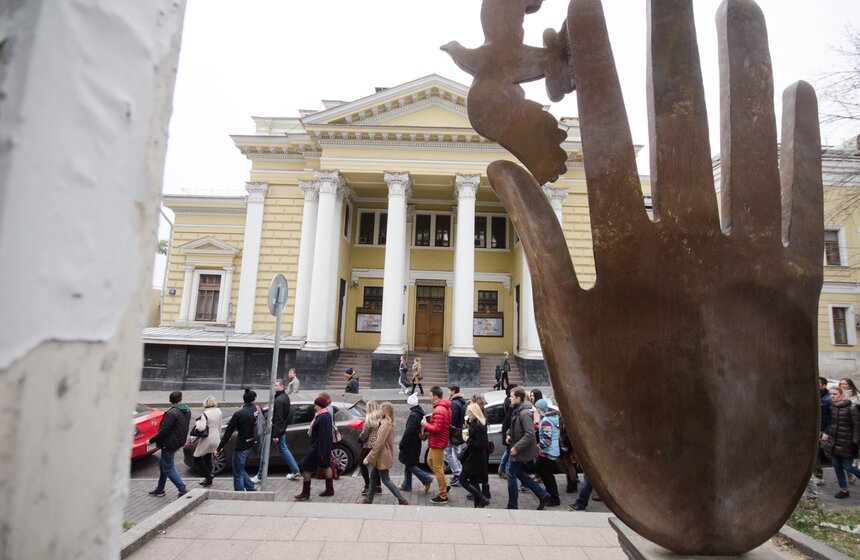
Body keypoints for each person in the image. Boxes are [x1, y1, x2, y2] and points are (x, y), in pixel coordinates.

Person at [506, 387, 549, 510]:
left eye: (512, 396)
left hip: (519, 450)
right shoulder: (517, 409)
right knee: (519, 473)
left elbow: (530, 434)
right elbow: (514, 426)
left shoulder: (524, 413)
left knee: (511, 474)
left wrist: (516, 447)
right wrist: (509, 434)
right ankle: (542, 495)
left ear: (519, 398)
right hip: (517, 447)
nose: (510, 398)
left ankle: (512, 505)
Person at [252, 378, 301, 484]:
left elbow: (278, 418)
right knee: (283, 449)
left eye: (276, 385)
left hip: (274, 430)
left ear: (282, 386)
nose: (274, 387)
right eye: (274, 385)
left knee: (264, 452)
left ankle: (260, 475)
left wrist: (275, 435)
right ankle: (295, 470)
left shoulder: (279, 400)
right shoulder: (285, 397)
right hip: (280, 429)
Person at [362, 402, 409, 505]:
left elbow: (379, 443)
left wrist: (369, 457)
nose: (379, 411)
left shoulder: (386, 425)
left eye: (381, 409)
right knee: (373, 477)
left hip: (382, 456)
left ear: (385, 412)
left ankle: (402, 499)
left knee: (386, 480)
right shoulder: (385, 422)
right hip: (379, 456)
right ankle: (369, 500)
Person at [148, 391, 192, 498]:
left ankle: (182, 489)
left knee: (168, 468)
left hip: (168, 443)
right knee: (162, 464)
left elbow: (163, 431)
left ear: (170, 400)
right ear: (181, 399)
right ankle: (160, 489)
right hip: (178, 442)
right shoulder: (187, 410)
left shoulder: (171, 413)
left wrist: (151, 440)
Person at [216, 389, 261, 492]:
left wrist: (219, 448)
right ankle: (251, 488)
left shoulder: (239, 414)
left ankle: (239, 494)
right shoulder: (257, 410)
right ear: (254, 399)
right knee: (240, 469)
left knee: (237, 473)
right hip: (252, 444)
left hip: (241, 446)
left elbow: (228, 433)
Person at [294, 394, 336, 500]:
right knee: (326, 466)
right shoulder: (326, 415)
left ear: (320, 405)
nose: (314, 407)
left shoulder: (322, 417)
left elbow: (323, 435)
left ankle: (306, 492)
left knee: (305, 466)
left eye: (316, 405)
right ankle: (329, 489)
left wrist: (322, 452)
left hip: (317, 448)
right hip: (322, 447)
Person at [822, 386, 860, 499]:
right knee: (836, 466)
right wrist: (826, 432)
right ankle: (843, 490)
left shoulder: (851, 408)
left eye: (835, 394)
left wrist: (855, 443)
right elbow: (831, 423)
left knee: (848, 467)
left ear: (841, 395)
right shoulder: (832, 407)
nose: (832, 396)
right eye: (831, 394)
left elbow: (857, 427)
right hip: (834, 443)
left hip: (847, 443)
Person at [421, 386, 451, 504]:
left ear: (435, 396)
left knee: (438, 467)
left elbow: (437, 429)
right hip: (436, 440)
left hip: (438, 441)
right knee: (429, 461)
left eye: (431, 395)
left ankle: (443, 495)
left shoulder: (439, 409)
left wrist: (425, 424)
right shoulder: (442, 407)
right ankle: (444, 484)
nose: (430, 397)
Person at [398, 393, 434, 493]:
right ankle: (406, 485)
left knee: (409, 463)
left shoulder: (413, 416)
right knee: (408, 463)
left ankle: (426, 478)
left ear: (410, 404)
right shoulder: (420, 413)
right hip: (416, 443)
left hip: (410, 444)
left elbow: (409, 431)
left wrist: (402, 444)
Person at [459, 402, 490, 507]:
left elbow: (481, 444)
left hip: (474, 458)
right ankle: (478, 505)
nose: (467, 414)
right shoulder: (478, 423)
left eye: (469, 412)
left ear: (473, 413)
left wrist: (467, 439)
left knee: (462, 479)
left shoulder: (478, 426)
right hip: (476, 457)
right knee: (474, 481)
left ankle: (482, 498)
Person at [534, 399, 561, 507]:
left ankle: (554, 497)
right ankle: (550, 494)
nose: (535, 409)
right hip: (548, 451)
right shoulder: (548, 419)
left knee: (547, 475)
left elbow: (547, 440)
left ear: (539, 408)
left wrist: (538, 447)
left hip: (548, 452)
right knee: (543, 471)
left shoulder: (546, 421)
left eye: (536, 407)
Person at [192, 396, 222, 487]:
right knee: (208, 457)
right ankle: (208, 480)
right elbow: (220, 426)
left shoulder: (205, 414)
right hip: (216, 437)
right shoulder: (219, 412)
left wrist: (197, 422)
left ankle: (208, 476)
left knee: (197, 457)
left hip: (207, 439)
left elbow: (201, 428)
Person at [812, 377, 833, 486]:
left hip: (825, 431)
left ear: (824, 385)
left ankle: (849, 472)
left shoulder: (828, 399)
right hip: (816, 430)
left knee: (832, 454)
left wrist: (827, 431)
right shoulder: (815, 396)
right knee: (815, 453)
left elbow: (833, 418)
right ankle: (819, 476)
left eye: (818, 382)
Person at [359, 401, 383, 495]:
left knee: (362, 463)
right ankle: (378, 486)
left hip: (369, 445)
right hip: (377, 444)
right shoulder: (380, 417)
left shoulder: (369, 418)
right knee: (375, 465)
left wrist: (360, 439)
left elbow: (365, 433)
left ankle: (367, 485)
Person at [445, 384, 467, 488]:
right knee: (456, 453)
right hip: (458, 431)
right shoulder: (461, 401)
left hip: (453, 433)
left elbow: (452, 421)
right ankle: (460, 474)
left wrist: (448, 434)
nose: (448, 392)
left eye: (449, 390)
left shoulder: (454, 403)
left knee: (447, 454)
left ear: (453, 391)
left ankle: (458, 474)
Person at [498, 384, 518, 479]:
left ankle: (502, 469)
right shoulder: (510, 402)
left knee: (508, 450)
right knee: (509, 450)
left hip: (507, 427)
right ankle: (502, 469)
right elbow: (510, 418)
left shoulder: (507, 400)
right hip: (508, 428)